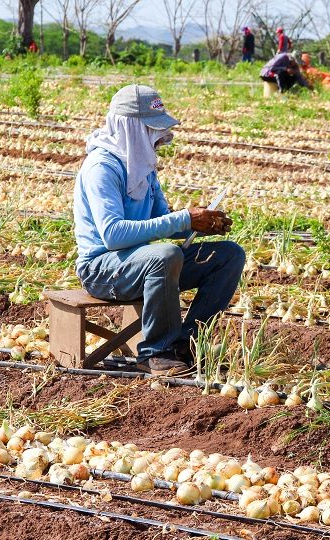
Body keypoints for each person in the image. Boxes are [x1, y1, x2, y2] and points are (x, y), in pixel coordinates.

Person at [73, 84, 246, 375]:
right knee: (164, 256)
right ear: (130, 128)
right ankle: (155, 352)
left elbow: (161, 219)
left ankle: (186, 343)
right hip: (101, 267)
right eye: (150, 130)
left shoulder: (143, 167)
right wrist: (182, 219)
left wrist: (201, 223)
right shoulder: (101, 167)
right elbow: (113, 235)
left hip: (142, 261)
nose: (157, 137)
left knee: (228, 255)